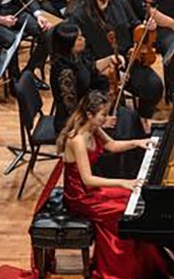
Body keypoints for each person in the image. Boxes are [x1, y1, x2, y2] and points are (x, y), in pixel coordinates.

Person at [58, 90, 168, 279]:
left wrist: (137, 142)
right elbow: (88, 180)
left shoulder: (92, 128)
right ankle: (120, 270)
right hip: (80, 196)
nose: (106, 119)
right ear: (90, 115)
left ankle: (149, 263)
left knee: (134, 199)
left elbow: (112, 145)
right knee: (124, 211)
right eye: (103, 115)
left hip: (90, 191)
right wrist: (121, 182)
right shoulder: (78, 140)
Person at [50, 22, 151, 178]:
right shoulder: (64, 72)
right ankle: (120, 174)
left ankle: (140, 165)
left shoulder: (75, 56)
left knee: (129, 116)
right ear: (68, 45)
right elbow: (72, 109)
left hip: (88, 109)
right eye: (78, 39)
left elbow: (90, 68)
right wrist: (100, 121)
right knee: (121, 132)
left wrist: (111, 59)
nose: (83, 39)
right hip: (74, 121)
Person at [66, 0, 165, 119]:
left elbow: (134, 24)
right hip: (101, 71)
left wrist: (145, 27)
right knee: (116, 114)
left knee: (154, 86)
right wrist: (111, 71)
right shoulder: (79, 17)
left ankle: (142, 118)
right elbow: (83, 59)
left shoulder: (119, 2)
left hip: (126, 60)